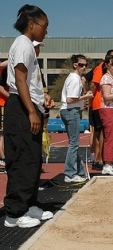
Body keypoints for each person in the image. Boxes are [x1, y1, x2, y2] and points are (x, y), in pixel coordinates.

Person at [3, 4, 55, 228]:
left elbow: (31, 83)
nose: (46, 31)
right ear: (31, 24)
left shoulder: (28, 47)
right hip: (21, 107)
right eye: (45, 26)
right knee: (22, 159)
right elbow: (20, 80)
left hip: (29, 104)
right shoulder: (23, 44)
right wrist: (32, 111)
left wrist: (41, 100)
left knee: (32, 159)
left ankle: (30, 203)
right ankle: (14, 213)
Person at [82, 49, 113, 171]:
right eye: (112, 59)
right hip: (99, 104)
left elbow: (85, 79)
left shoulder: (109, 72)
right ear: (107, 59)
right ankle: (98, 159)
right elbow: (92, 84)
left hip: (100, 104)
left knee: (100, 132)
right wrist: (88, 96)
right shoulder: (100, 68)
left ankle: (99, 158)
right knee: (101, 133)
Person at [60, 54, 93, 182]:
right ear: (75, 65)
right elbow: (70, 99)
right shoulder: (74, 79)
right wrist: (86, 97)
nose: (84, 67)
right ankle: (70, 174)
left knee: (74, 143)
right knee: (74, 144)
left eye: (85, 65)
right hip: (70, 111)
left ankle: (78, 171)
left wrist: (81, 102)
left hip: (69, 110)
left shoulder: (74, 78)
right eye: (81, 65)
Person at [0, 59, 9, 173]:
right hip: (2, 103)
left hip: (4, 103)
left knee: (3, 134)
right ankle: (3, 158)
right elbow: (2, 64)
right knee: (2, 134)